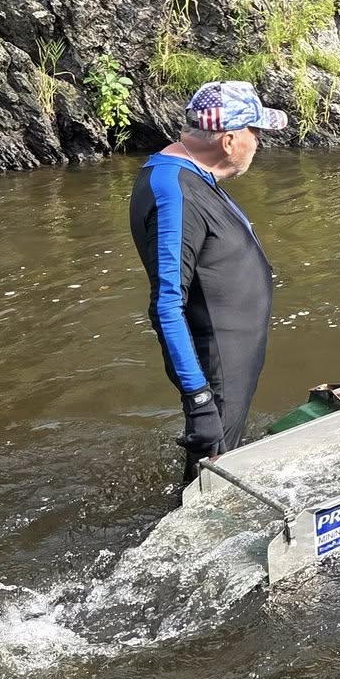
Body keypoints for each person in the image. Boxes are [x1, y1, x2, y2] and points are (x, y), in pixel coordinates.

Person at [129, 80, 287, 477]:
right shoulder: (174, 191)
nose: (259, 143)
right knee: (209, 479)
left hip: (229, 354)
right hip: (215, 365)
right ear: (230, 140)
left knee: (217, 468)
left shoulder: (191, 174)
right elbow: (166, 304)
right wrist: (199, 400)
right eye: (256, 133)